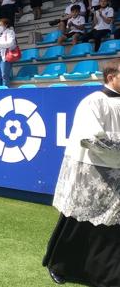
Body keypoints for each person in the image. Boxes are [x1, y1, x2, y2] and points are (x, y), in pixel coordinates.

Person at [43, 58, 120, 286]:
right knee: (78, 222)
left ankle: (107, 274)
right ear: (111, 77)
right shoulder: (93, 102)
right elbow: (90, 139)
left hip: (115, 173)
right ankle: (59, 265)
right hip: (92, 174)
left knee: (112, 227)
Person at [0, 18, 16, 87]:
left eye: (1, 25)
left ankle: (5, 91)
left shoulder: (10, 32)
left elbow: (10, 43)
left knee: (4, 75)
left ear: (6, 25)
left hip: (4, 57)